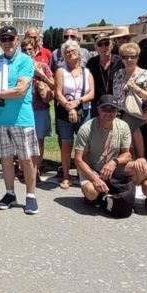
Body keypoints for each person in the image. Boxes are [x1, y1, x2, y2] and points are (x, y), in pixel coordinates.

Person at [0, 26, 39, 215]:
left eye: (10, 39)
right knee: (6, 159)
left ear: (17, 40)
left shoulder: (25, 61)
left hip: (21, 118)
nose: (7, 43)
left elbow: (21, 90)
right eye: (3, 40)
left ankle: (31, 196)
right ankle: (10, 193)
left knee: (26, 159)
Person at [72, 95, 136, 217]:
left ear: (117, 111)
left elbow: (127, 154)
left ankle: (124, 195)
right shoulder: (86, 129)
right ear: (98, 109)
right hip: (91, 168)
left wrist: (114, 162)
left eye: (112, 109)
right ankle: (100, 194)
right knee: (91, 193)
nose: (108, 113)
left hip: (111, 168)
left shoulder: (123, 126)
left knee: (137, 168)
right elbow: (78, 159)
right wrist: (94, 178)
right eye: (104, 109)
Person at [53, 39, 94, 189]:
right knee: (66, 144)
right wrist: (69, 108)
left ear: (79, 53)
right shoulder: (60, 71)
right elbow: (58, 92)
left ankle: (83, 174)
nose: (70, 54)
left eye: (73, 51)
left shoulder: (87, 72)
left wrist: (78, 102)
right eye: (67, 52)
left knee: (84, 145)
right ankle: (65, 176)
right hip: (65, 111)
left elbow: (92, 93)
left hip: (84, 110)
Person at [23, 38, 54, 183]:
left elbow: (54, 85)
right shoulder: (19, 66)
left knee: (39, 141)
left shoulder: (43, 66)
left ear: (36, 51)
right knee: (24, 142)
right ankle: (25, 169)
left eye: (30, 49)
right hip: (23, 109)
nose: (28, 52)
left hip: (40, 109)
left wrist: (41, 74)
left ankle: (36, 170)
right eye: (24, 49)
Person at [112, 42, 147, 133]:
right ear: (121, 58)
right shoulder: (118, 74)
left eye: (132, 56)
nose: (129, 59)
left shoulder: (143, 74)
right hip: (119, 116)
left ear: (137, 58)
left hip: (136, 116)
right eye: (125, 57)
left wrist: (137, 89)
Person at [86, 33, 119, 117]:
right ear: (95, 47)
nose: (104, 47)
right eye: (100, 44)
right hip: (97, 106)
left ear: (111, 45)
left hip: (117, 105)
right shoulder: (91, 63)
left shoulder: (119, 62)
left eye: (107, 44)